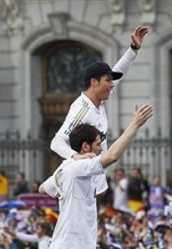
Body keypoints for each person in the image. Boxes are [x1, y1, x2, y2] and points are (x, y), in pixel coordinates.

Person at [39, 104, 153, 249]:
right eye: (98, 144)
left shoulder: (65, 166)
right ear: (85, 147)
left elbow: (42, 189)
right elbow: (112, 156)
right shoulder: (79, 166)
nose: (101, 149)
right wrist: (135, 124)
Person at [50, 25, 149, 196]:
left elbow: (119, 71)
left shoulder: (99, 101)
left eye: (112, 81)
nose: (112, 85)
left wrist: (133, 50)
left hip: (94, 183)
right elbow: (56, 142)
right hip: (81, 185)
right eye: (108, 80)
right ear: (94, 83)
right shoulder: (82, 108)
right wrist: (76, 156)